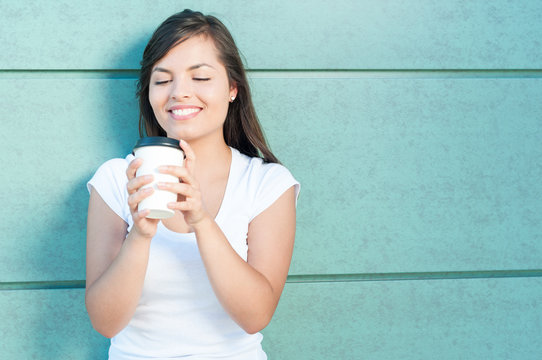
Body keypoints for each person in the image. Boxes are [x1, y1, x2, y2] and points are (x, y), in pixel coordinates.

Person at [85, 9, 300, 360]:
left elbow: (256, 315)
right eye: (162, 79)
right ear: (149, 93)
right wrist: (140, 235)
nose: (179, 93)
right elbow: (105, 322)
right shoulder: (114, 180)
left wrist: (201, 221)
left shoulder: (266, 184)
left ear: (233, 88)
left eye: (200, 78)